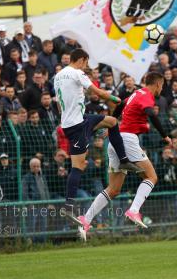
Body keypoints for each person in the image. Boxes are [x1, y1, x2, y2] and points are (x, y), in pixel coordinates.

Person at [78, 72, 171, 239]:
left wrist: (110, 125)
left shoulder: (136, 93)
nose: (161, 89)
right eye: (162, 86)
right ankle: (134, 210)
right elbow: (150, 113)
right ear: (157, 84)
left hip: (116, 141)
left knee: (113, 189)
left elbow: (120, 106)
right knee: (151, 177)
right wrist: (165, 135)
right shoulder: (147, 96)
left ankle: (86, 219)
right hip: (128, 140)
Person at [52, 49, 136, 226]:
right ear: (81, 60)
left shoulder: (58, 76)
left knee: (112, 122)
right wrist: (116, 98)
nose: (86, 66)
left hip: (72, 123)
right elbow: (98, 92)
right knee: (78, 166)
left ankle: (123, 159)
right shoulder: (77, 72)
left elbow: (61, 103)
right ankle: (69, 205)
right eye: (86, 62)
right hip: (78, 125)